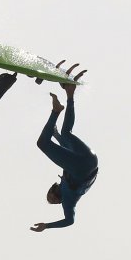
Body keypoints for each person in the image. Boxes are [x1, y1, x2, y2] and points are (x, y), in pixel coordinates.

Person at [31, 80, 98, 232]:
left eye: (49, 197)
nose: (52, 198)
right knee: (42, 143)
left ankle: (70, 94)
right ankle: (56, 111)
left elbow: (66, 148)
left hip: (89, 159)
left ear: (51, 188)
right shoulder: (68, 202)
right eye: (52, 201)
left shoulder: (65, 177)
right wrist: (47, 226)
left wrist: (55, 135)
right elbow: (69, 221)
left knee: (66, 133)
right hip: (85, 167)